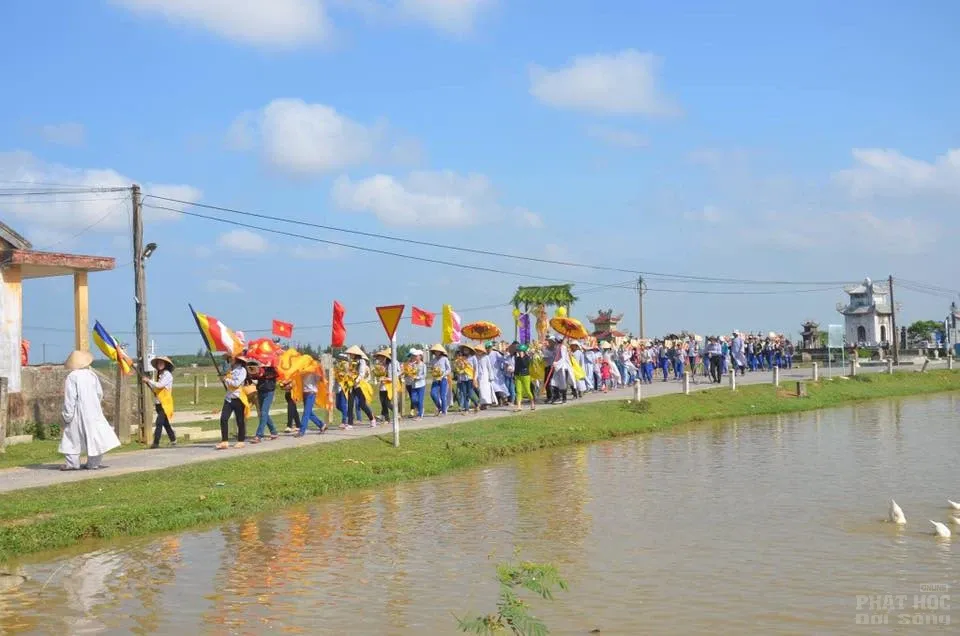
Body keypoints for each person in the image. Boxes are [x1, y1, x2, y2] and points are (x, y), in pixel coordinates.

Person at [59, 350, 121, 470]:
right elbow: (99, 393)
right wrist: (95, 405)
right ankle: (93, 463)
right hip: (93, 410)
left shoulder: (72, 376)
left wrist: (67, 414)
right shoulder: (92, 375)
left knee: (72, 437)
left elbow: (70, 398)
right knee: (95, 435)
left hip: (78, 411)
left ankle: (72, 463)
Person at [144, 355, 176, 449]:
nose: (159, 364)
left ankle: (156, 442)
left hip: (165, 403)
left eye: (161, 363)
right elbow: (156, 388)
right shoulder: (160, 375)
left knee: (159, 422)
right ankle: (173, 439)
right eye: (158, 363)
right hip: (158, 402)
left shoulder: (167, 375)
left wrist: (149, 380)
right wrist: (148, 382)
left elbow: (160, 385)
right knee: (165, 423)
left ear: (165, 364)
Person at [217, 355, 249, 450]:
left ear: (237, 359)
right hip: (229, 398)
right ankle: (224, 441)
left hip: (238, 398)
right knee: (223, 419)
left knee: (240, 420)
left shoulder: (242, 370)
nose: (230, 360)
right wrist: (223, 378)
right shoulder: (229, 370)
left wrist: (226, 379)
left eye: (232, 358)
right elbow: (228, 384)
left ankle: (241, 441)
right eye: (229, 359)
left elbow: (236, 383)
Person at [345, 345, 377, 428]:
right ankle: (350, 423)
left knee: (362, 404)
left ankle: (372, 418)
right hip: (351, 384)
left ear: (355, 353)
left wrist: (357, 380)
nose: (350, 355)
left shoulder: (362, 361)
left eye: (351, 353)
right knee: (350, 403)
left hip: (359, 385)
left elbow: (362, 373)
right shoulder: (351, 362)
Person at [252, 364, 279, 443]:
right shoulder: (259, 366)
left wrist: (262, 373)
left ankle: (259, 435)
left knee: (263, 413)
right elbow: (255, 377)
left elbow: (273, 375)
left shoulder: (272, 368)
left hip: (269, 392)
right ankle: (273, 431)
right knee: (264, 413)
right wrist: (253, 374)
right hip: (260, 391)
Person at [298, 365, 328, 436]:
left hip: (311, 393)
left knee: (306, 413)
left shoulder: (314, 370)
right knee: (309, 413)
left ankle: (302, 431)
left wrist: (320, 373)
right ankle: (322, 425)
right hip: (305, 392)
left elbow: (320, 379)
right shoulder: (301, 369)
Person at [429, 344, 451, 416]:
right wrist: (433, 372)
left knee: (442, 395)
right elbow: (431, 369)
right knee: (433, 394)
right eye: (435, 351)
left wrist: (443, 375)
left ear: (441, 351)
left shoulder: (445, 359)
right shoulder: (433, 360)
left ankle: (444, 411)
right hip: (435, 379)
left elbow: (449, 369)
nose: (437, 352)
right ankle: (439, 407)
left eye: (438, 351)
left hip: (443, 379)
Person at [405, 349, 427, 420]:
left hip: (421, 385)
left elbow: (424, 375)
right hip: (413, 385)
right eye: (414, 356)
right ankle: (420, 409)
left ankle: (420, 415)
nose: (414, 358)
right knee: (414, 400)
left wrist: (417, 377)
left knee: (420, 400)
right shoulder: (412, 365)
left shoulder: (423, 365)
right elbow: (409, 372)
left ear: (420, 357)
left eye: (416, 356)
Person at [513, 344, 535, 411]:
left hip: (525, 375)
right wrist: (514, 375)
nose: (519, 352)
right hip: (518, 376)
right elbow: (516, 367)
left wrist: (522, 357)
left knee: (527, 391)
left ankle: (532, 402)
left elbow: (525, 365)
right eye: (518, 351)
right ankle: (519, 406)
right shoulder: (517, 358)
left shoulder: (527, 357)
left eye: (520, 351)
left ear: (524, 351)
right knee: (518, 391)